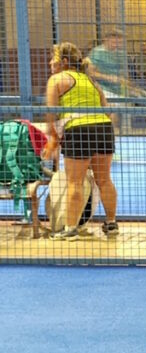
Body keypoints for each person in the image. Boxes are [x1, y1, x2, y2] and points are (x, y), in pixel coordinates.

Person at [43, 42, 118, 239]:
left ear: (64, 62)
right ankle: (111, 224)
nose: (51, 62)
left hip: (78, 130)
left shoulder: (57, 79)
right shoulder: (92, 81)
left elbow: (51, 112)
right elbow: (107, 110)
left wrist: (52, 139)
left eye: (54, 58)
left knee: (74, 181)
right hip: (104, 129)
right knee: (104, 180)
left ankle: (70, 230)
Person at [88, 29, 133, 97]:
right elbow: (90, 73)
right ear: (106, 39)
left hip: (119, 90)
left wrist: (129, 85)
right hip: (103, 90)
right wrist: (109, 77)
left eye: (120, 43)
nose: (116, 45)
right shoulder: (97, 52)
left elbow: (124, 75)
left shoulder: (121, 54)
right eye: (114, 42)